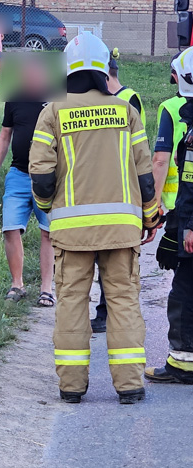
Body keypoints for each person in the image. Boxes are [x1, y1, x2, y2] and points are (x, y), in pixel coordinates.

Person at [29, 32, 160, 405]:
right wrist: (149, 218)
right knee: (123, 302)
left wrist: (49, 203)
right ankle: (129, 386)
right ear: (104, 68)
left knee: (70, 302)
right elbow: (144, 174)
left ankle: (71, 387)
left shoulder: (52, 111)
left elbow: (41, 174)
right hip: (121, 229)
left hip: (72, 233)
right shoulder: (126, 112)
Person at [91, 48, 148, 333]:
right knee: (105, 258)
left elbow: (138, 153)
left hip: (125, 191)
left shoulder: (128, 99)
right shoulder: (108, 101)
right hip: (106, 188)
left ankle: (111, 315)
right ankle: (106, 313)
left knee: (118, 265)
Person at [0, 66, 54, 306]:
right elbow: (5, 135)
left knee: (48, 232)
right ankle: (17, 284)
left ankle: (47, 288)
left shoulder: (56, 101)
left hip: (48, 176)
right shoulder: (14, 99)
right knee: (10, 228)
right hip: (17, 174)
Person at [146, 48, 193, 384]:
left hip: (186, 217)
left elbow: (168, 166)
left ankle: (182, 363)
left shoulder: (179, 118)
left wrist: (184, 226)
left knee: (183, 292)